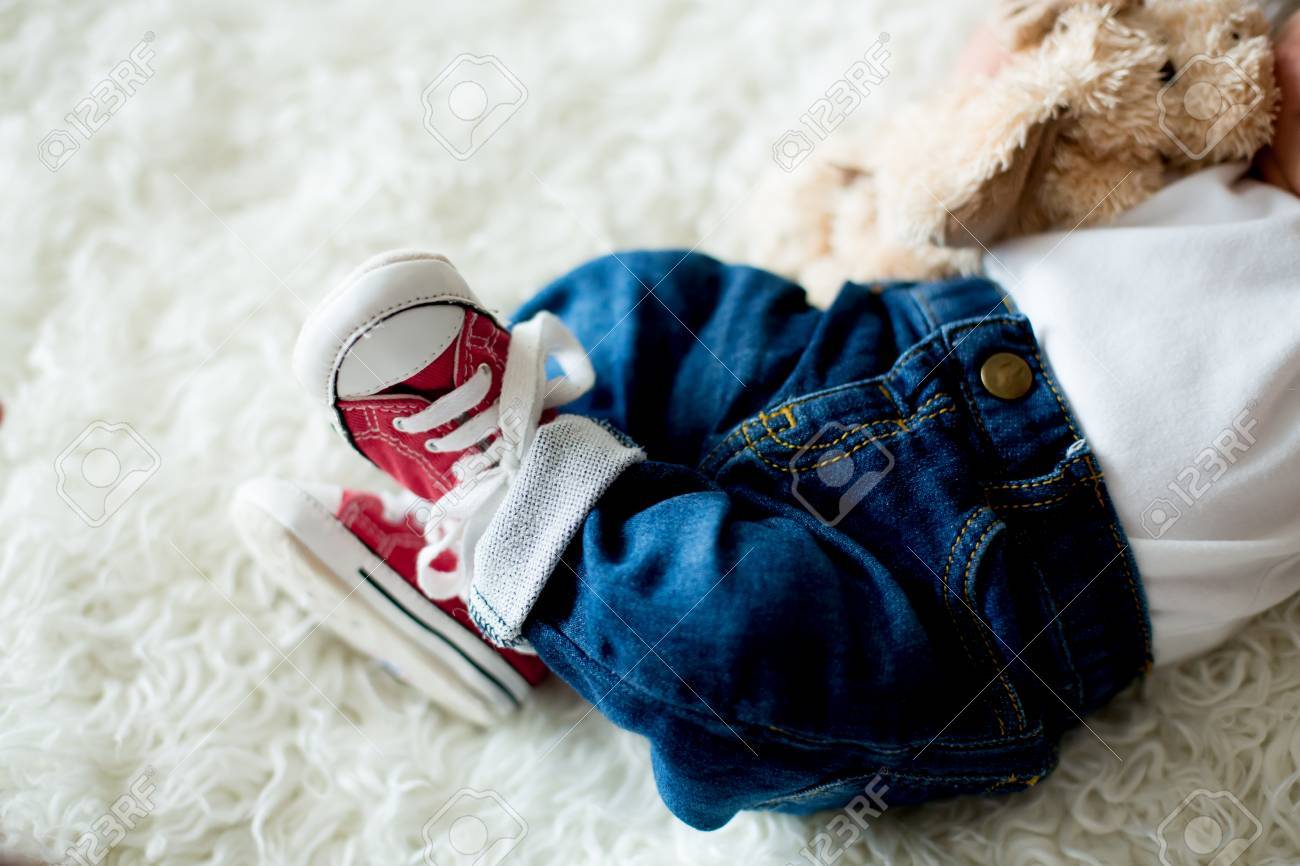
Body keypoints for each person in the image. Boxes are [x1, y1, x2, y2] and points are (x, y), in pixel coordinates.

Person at [233, 6, 1300, 831]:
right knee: (635, 309)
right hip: (892, 348)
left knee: (740, 634)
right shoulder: (1215, 138)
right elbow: (1040, 87)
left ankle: (527, 548)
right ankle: (497, 538)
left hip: (997, 599)